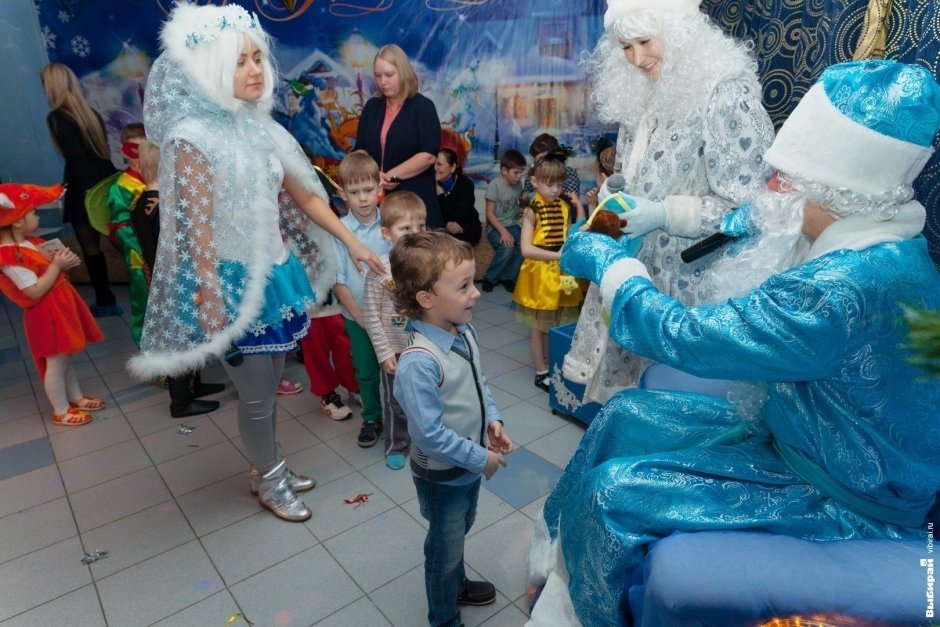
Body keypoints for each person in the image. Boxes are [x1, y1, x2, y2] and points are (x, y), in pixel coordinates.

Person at [527, 60, 940, 626]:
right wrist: (661, 214)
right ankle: (555, 567)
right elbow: (756, 216)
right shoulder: (882, 232)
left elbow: (684, 335)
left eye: (787, 179)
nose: (774, 189)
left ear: (835, 191)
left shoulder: (838, 290)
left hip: (839, 490)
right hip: (814, 435)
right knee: (623, 414)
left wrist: (611, 267)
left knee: (610, 495)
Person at [128, 4, 383, 522]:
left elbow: (308, 197)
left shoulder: (261, 128)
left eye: (257, 58)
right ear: (213, 69)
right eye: (240, 60)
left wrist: (351, 242)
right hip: (229, 284)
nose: (254, 69)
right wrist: (209, 294)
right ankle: (269, 480)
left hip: (274, 272)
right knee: (259, 396)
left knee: (266, 391)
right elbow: (194, 229)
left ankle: (269, 467)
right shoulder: (191, 138)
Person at [563, 0, 775, 405]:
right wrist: (617, 190)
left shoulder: (726, 92)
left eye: (645, 41)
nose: (637, 58)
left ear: (681, 35)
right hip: (635, 272)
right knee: (630, 405)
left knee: (673, 409)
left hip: (690, 287)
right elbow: (637, 170)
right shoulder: (640, 91)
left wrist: (664, 214)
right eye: (626, 46)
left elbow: (752, 208)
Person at [390, 231, 513, 627]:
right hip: (441, 474)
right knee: (443, 551)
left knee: (461, 528)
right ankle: (444, 618)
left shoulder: (465, 330)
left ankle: (457, 586)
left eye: (474, 282)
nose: (476, 293)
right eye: (464, 286)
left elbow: (479, 384)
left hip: (470, 463)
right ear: (427, 299)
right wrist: (482, 459)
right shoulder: (418, 363)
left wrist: (492, 420)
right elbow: (429, 436)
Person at [129, 140, 222, 418]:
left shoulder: (141, 202)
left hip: (158, 277)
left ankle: (195, 385)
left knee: (190, 333)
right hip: (176, 278)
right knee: (181, 338)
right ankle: (181, 401)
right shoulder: (165, 207)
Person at [0, 183, 105, 427]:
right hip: (46, 314)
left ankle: (76, 398)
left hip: (58, 309)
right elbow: (33, 291)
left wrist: (59, 261)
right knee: (56, 364)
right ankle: (61, 410)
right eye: (33, 213)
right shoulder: (10, 255)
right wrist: (57, 267)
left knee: (65, 358)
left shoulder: (27, 243)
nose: (37, 216)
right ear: (16, 221)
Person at [39, 62, 121, 317]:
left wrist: (74, 190)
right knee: (124, 242)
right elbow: (100, 155)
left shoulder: (57, 117)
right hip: (107, 183)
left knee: (91, 248)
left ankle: (105, 301)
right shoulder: (90, 113)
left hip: (84, 190)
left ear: (52, 85)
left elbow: (75, 159)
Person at [361, 191, 427, 470]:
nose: (415, 234)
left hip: (424, 347)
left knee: (427, 398)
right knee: (396, 402)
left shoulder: (429, 265)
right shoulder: (379, 271)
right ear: (387, 233)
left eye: (421, 226)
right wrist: (384, 351)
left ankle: (427, 441)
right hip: (395, 351)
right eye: (405, 228)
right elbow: (371, 316)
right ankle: (397, 443)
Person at [331, 150, 391, 448]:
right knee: (366, 371)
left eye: (368, 190)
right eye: (355, 192)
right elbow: (338, 281)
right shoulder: (339, 232)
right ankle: (372, 416)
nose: (363, 198)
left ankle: (401, 415)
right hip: (357, 318)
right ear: (343, 193)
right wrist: (361, 317)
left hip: (392, 316)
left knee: (397, 371)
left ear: (380, 188)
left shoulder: (390, 226)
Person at [513, 152, 584, 392]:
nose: (555, 189)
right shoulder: (531, 209)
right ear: (534, 182)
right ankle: (541, 371)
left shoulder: (564, 205)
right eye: (549, 184)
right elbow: (526, 249)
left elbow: (568, 233)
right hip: (540, 274)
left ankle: (554, 363)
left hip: (561, 272)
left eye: (560, 184)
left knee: (558, 323)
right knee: (539, 325)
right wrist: (557, 256)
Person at [355, 44, 442, 228]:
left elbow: (428, 155)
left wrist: (390, 176)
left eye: (388, 75)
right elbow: (360, 150)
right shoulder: (372, 107)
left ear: (403, 72)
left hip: (415, 203)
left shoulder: (423, 107)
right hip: (377, 203)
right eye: (378, 76)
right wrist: (373, 175)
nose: (382, 82)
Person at [107, 123, 149, 345]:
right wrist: (147, 251)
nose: (140, 157)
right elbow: (121, 226)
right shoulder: (121, 187)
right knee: (144, 308)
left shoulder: (161, 180)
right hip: (140, 259)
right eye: (134, 151)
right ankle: (153, 364)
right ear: (124, 151)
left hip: (168, 257)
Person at [481, 149, 527, 293]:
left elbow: (517, 205)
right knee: (508, 247)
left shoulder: (519, 185)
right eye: (516, 173)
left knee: (524, 246)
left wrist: (524, 204)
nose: (519, 176)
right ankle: (489, 278)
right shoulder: (494, 185)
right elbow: (489, 214)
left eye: (521, 173)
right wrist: (503, 232)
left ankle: (510, 278)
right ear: (504, 170)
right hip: (495, 227)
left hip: (513, 224)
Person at [435, 148, 481, 245]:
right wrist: (446, 224)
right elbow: (428, 212)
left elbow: (459, 216)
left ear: (452, 167)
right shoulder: (427, 184)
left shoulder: (466, 184)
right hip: (440, 226)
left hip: (466, 226)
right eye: (433, 164)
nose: (435, 168)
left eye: (439, 164)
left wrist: (441, 195)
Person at [521, 133, 580, 199]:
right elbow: (526, 196)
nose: (540, 163)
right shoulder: (532, 172)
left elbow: (573, 200)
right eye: (538, 161)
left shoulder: (570, 173)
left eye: (560, 184)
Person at [585, 145, 616, 213]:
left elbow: (595, 223)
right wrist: (592, 203)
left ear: (603, 176)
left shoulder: (608, 205)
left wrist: (592, 206)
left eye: (596, 175)